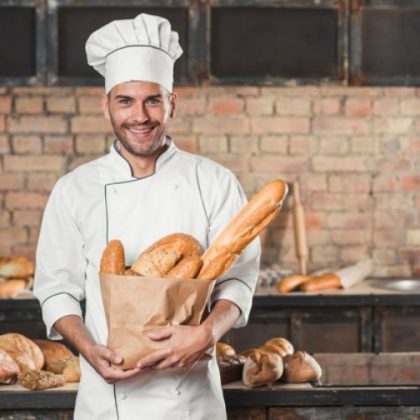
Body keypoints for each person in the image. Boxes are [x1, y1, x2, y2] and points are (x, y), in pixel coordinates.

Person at [34, 13, 260, 420]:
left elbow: (239, 279)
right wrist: (87, 348)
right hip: (106, 404)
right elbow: (56, 290)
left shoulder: (214, 182)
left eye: (152, 100)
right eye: (125, 101)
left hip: (191, 402)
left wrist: (206, 333)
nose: (140, 116)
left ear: (171, 103)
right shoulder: (74, 189)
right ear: (106, 106)